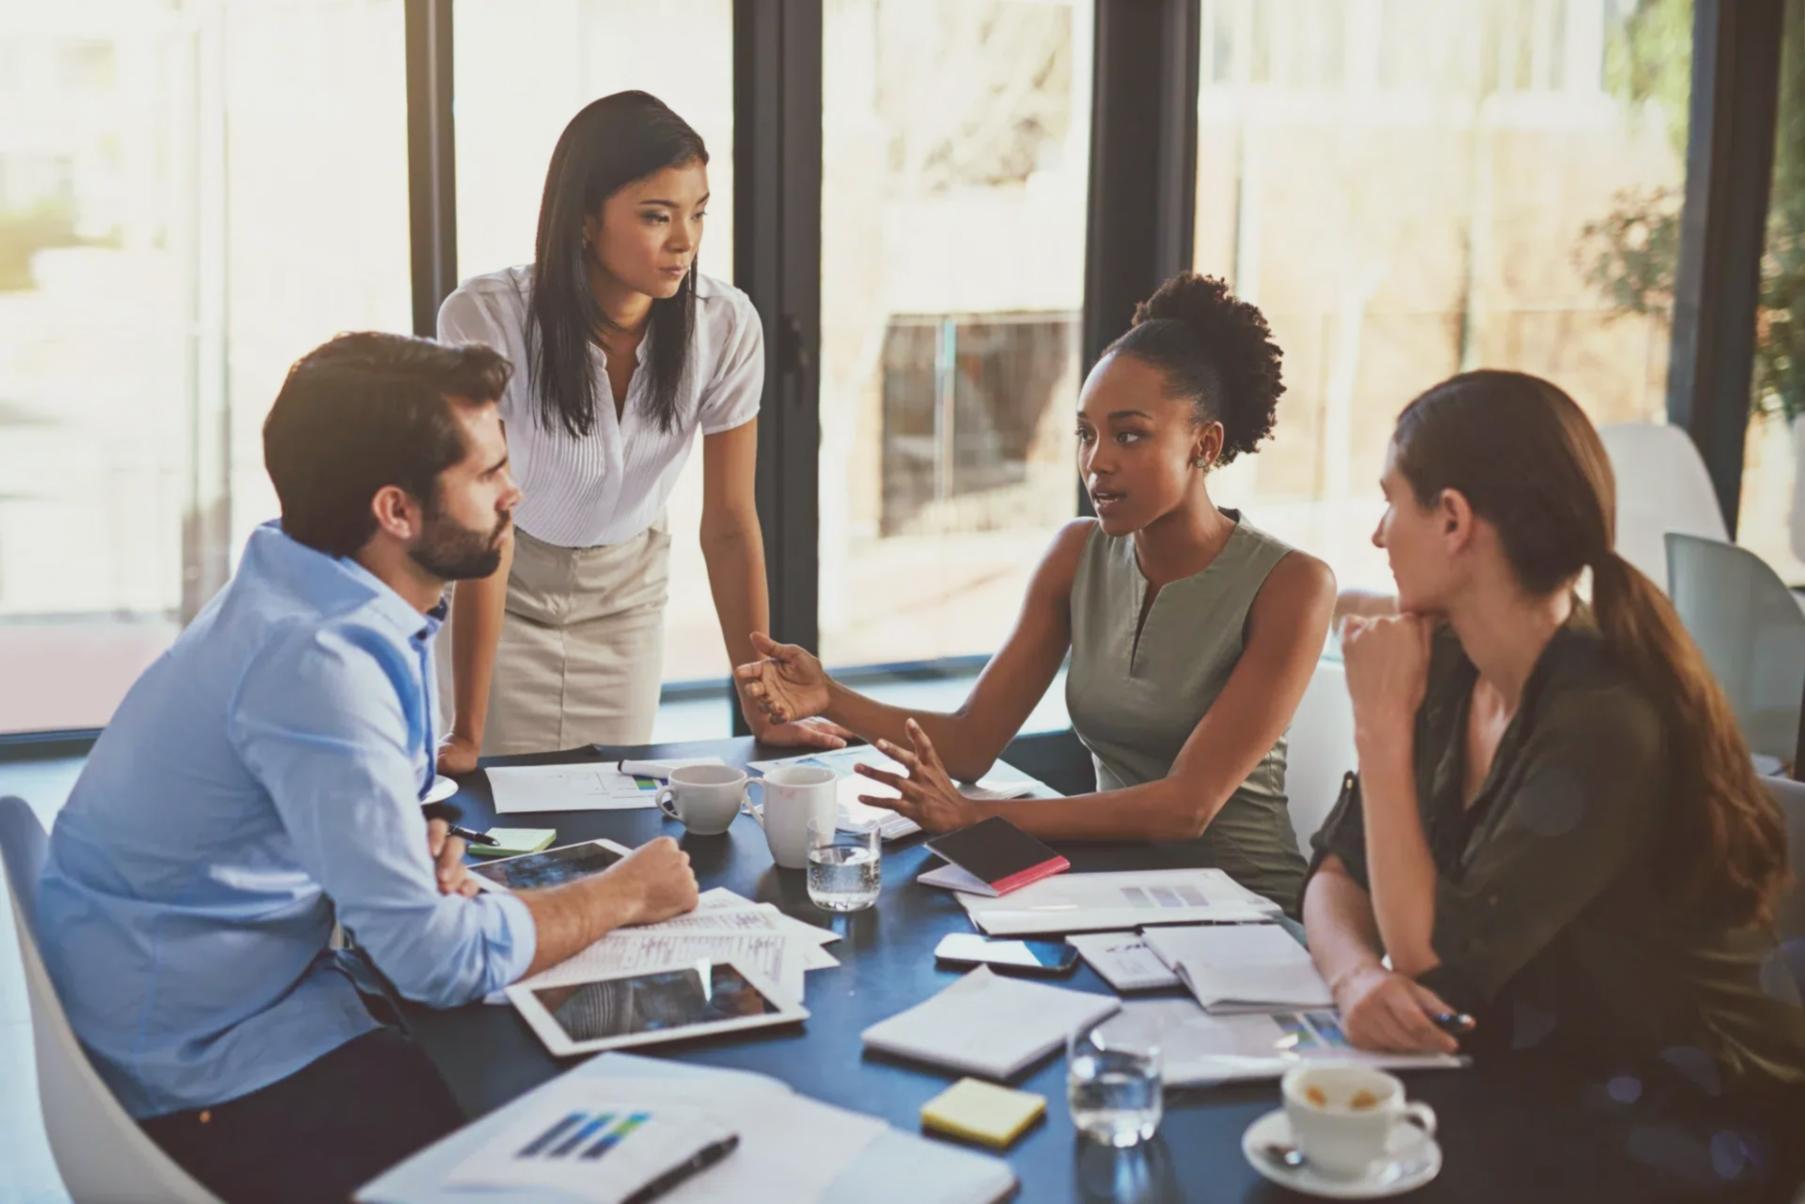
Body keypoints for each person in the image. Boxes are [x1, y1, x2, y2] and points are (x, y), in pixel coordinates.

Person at [35, 333, 700, 1203]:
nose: (514, 492)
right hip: (208, 1075)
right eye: (486, 473)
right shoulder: (318, 661)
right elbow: (432, 963)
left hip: (208, 998)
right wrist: (624, 895)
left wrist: (394, 845)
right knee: (582, 1137)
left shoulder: (311, 586)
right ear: (396, 511)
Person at [1304, 370, 1805, 1198]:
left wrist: (1379, 728)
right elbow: (1333, 870)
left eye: (1392, 501)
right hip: (1526, 1071)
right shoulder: (1449, 662)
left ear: (1454, 520)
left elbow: (1437, 966)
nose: (1378, 533)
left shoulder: (1605, 716)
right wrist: (1354, 976)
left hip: (1686, 1122)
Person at [736, 273, 1336, 912]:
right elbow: (971, 742)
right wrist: (830, 696)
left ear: (1204, 445)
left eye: (1129, 434)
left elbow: (1185, 809)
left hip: (1248, 916)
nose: (1097, 461)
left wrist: (978, 818)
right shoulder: (1077, 555)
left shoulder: (1293, 585)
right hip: (1117, 897)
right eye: (1086, 433)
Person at [435, 90, 846, 763]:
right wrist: (466, 731)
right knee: (502, 825)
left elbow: (730, 521)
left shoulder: (725, 325)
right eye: (657, 216)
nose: (684, 241)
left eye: (698, 214)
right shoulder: (486, 317)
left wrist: (762, 706)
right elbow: (487, 522)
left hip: (624, 595)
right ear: (585, 221)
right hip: (501, 587)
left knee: (608, 806)